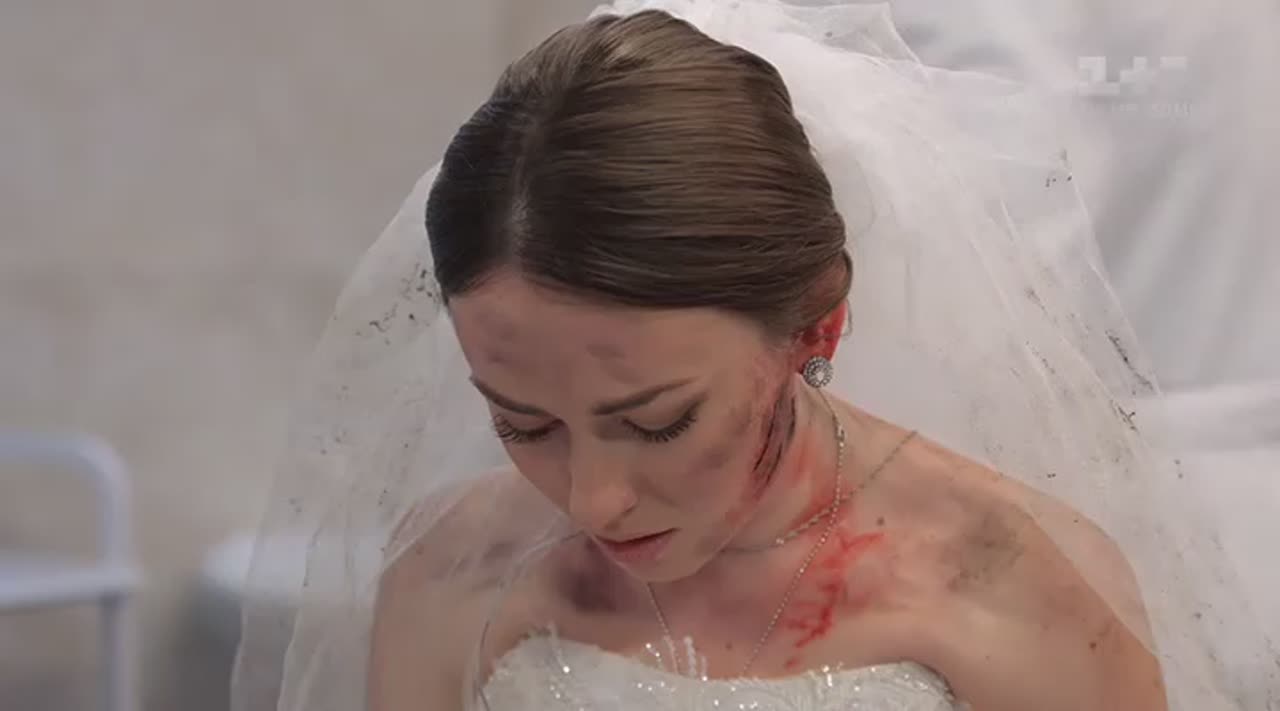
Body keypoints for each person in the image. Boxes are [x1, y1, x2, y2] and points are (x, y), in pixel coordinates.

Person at [230, 2, 1277, 710]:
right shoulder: (454, 567)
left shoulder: (1012, 582)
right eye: (522, 421)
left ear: (817, 327)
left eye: (656, 421)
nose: (592, 500)